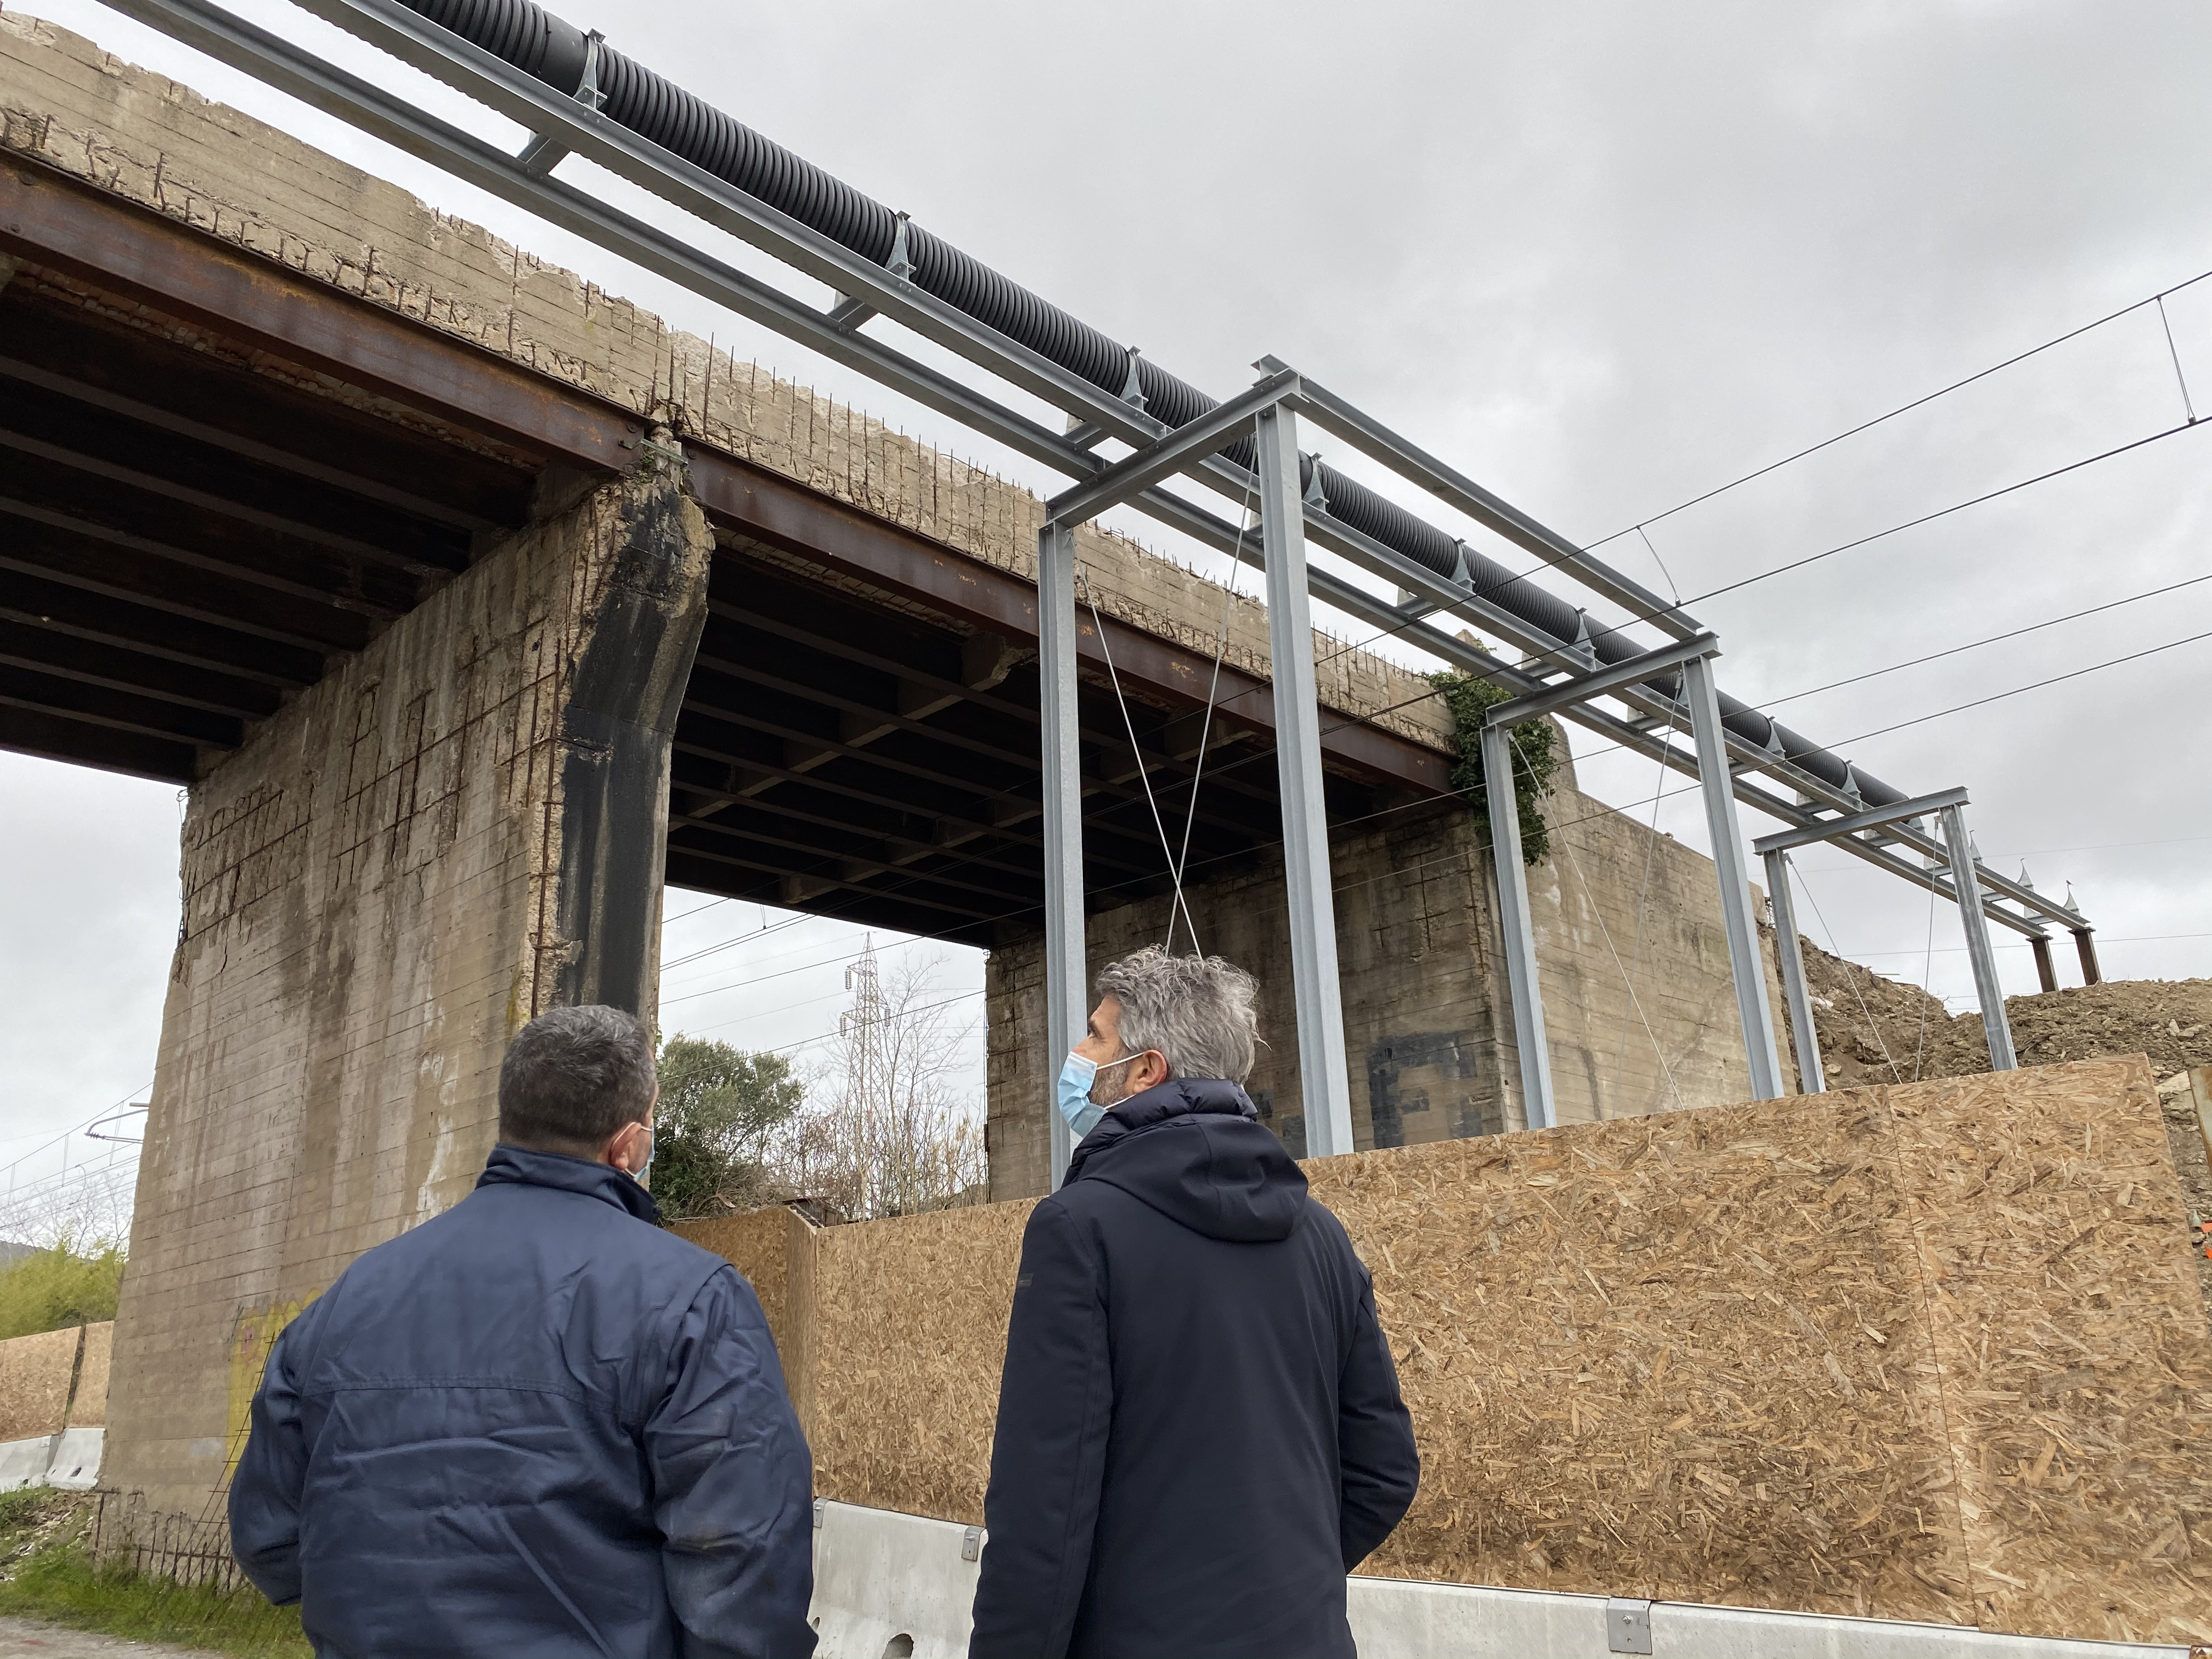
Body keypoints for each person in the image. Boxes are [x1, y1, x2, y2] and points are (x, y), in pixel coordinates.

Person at [228, 1004, 817, 1659]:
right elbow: (743, 1563)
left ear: (511, 1121)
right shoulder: (694, 1300)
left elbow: (270, 1540)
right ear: (629, 1144)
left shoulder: (346, 1301)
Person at [969, 947, 1419, 1659]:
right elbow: (1385, 1470)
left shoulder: (1077, 1231)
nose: (1077, 1055)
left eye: (1096, 1037)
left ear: (1147, 1070)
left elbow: (1042, 1514)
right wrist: (1276, 1588)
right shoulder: (1323, 1238)